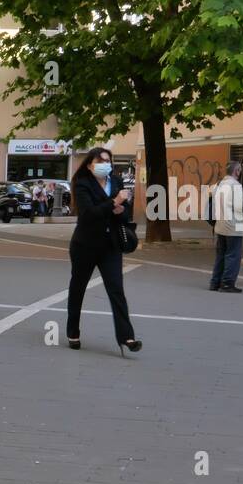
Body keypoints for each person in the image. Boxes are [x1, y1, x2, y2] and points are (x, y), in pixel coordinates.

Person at [66, 146, 140, 354]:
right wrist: (114, 203)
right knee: (78, 288)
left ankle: (127, 337)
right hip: (85, 245)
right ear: (90, 165)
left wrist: (121, 209)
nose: (105, 164)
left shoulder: (116, 182)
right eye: (100, 161)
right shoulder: (83, 184)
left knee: (116, 290)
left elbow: (125, 216)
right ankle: (73, 331)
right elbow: (88, 214)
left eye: (108, 160)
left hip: (111, 245)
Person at [209, 161, 243, 293]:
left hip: (220, 226)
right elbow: (240, 207)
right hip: (233, 226)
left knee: (220, 255)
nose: (240, 172)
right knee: (233, 255)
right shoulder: (235, 185)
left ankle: (215, 283)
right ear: (236, 171)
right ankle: (227, 284)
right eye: (240, 170)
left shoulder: (218, 185)